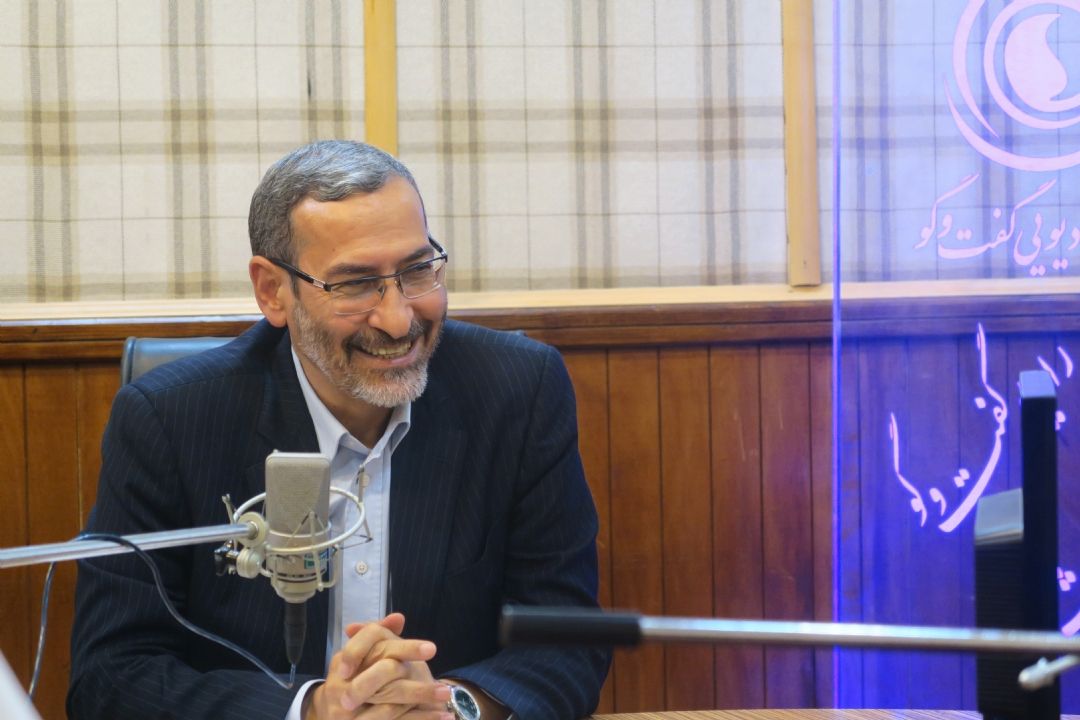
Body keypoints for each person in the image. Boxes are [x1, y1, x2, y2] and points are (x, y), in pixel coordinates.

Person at [67, 140, 610, 720]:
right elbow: (111, 675)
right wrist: (311, 711)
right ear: (272, 291)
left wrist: (449, 706)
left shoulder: (518, 391)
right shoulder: (170, 418)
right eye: (354, 284)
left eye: (417, 270)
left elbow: (567, 637)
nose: (398, 319)